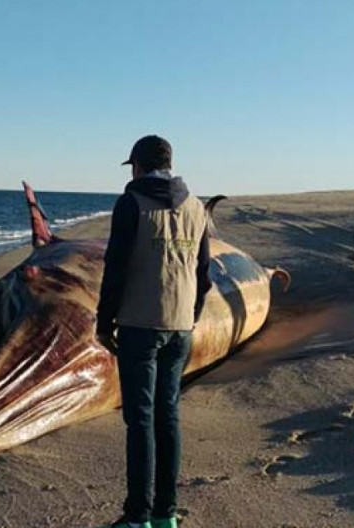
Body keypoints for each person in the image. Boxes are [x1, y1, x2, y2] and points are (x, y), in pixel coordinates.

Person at [95, 135, 211, 528]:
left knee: (140, 419)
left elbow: (116, 268)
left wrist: (103, 320)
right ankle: (167, 515)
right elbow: (204, 274)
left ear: (139, 166)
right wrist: (190, 316)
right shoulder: (197, 208)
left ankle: (137, 517)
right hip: (180, 327)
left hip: (139, 326)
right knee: (169, 417)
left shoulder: (131, 203)